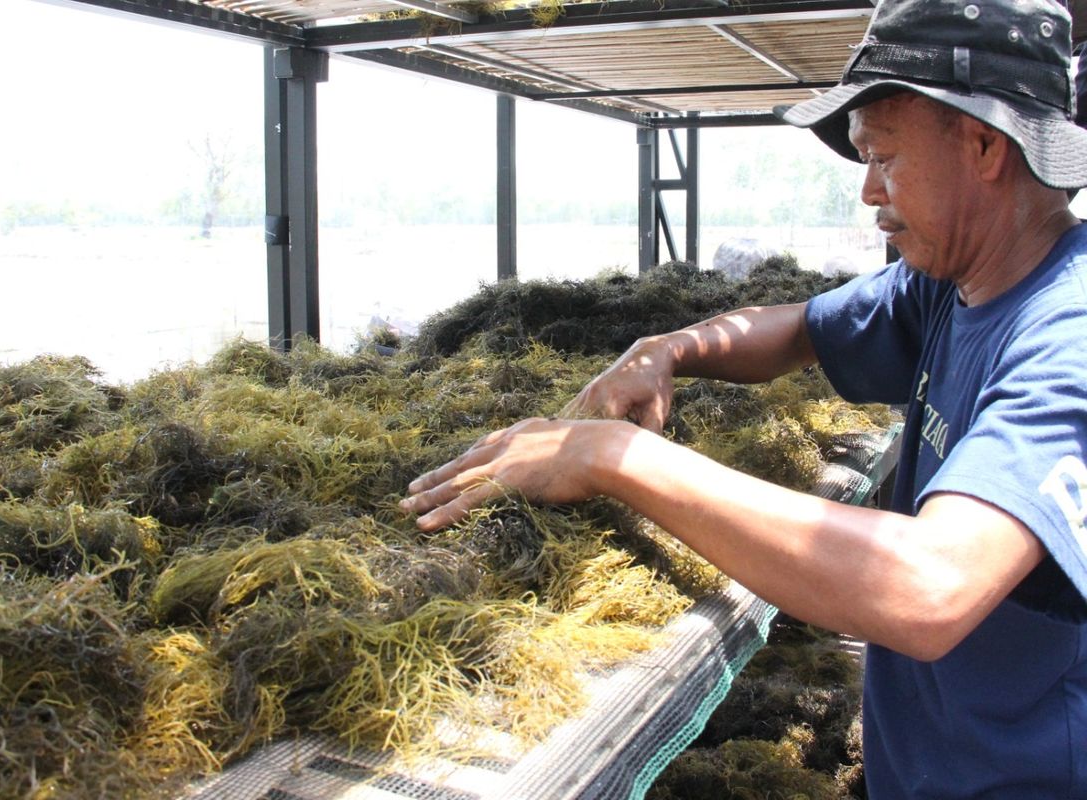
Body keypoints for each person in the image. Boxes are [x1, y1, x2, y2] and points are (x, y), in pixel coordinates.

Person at [400, 0, 1087, 795]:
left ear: (984, 144)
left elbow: (930, 586)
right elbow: (796, 329)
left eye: (885, 156)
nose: (869, 191)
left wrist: (614, 455)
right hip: (924, 761)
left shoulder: (1067, 337)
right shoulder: (951, 283)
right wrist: (666, 350)